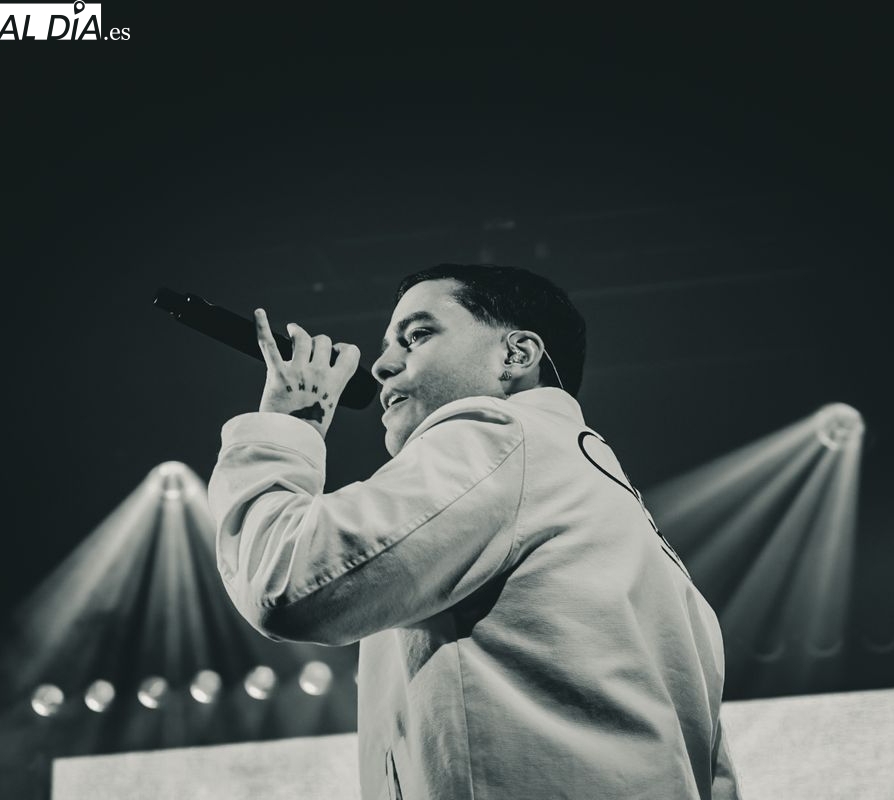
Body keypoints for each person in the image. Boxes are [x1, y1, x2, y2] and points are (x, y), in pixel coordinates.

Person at [209, 264, 741, 799]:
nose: (382, 366)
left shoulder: (500, 436)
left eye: (417, 335)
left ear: (517, 355)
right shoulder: (646, 546)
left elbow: (286, 581)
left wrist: (288, 426)